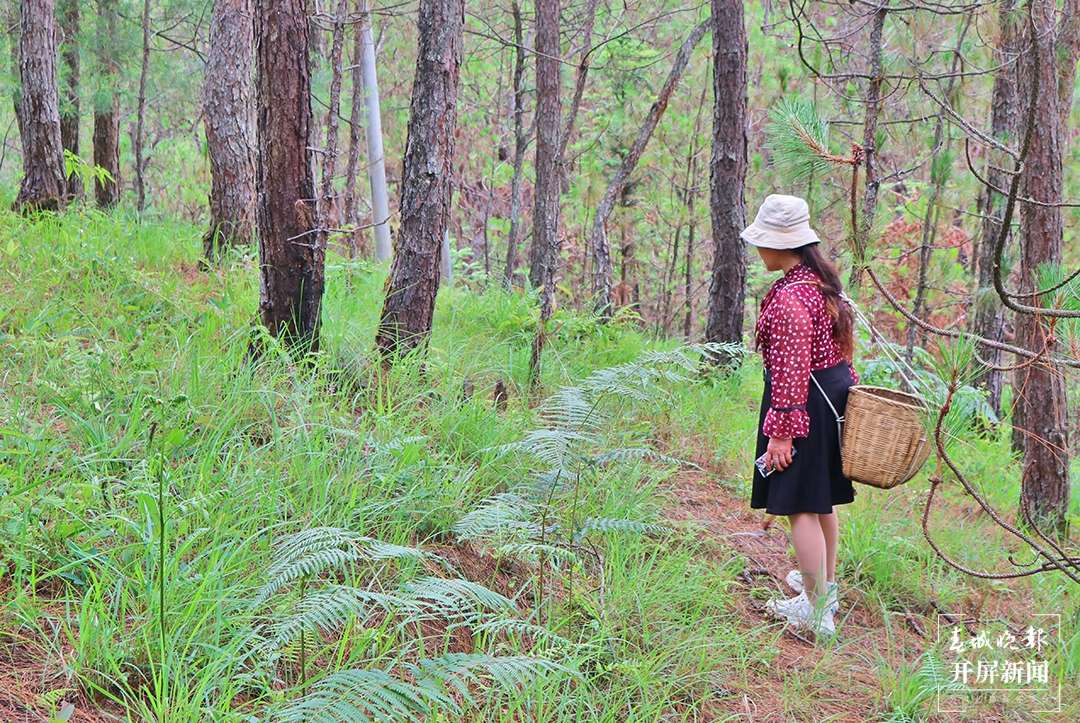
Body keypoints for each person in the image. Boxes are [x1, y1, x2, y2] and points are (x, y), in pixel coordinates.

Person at [741, 193, 858, 639]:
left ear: (781, 244)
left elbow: (790, 372)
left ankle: (816, 610)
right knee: (819, 498)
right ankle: (823, 590)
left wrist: (782, 434)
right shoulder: (819, 283)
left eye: (763, 242)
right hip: (830, 396)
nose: (759, 250)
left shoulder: (792, 301)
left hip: (805, 403)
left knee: (799, 505)